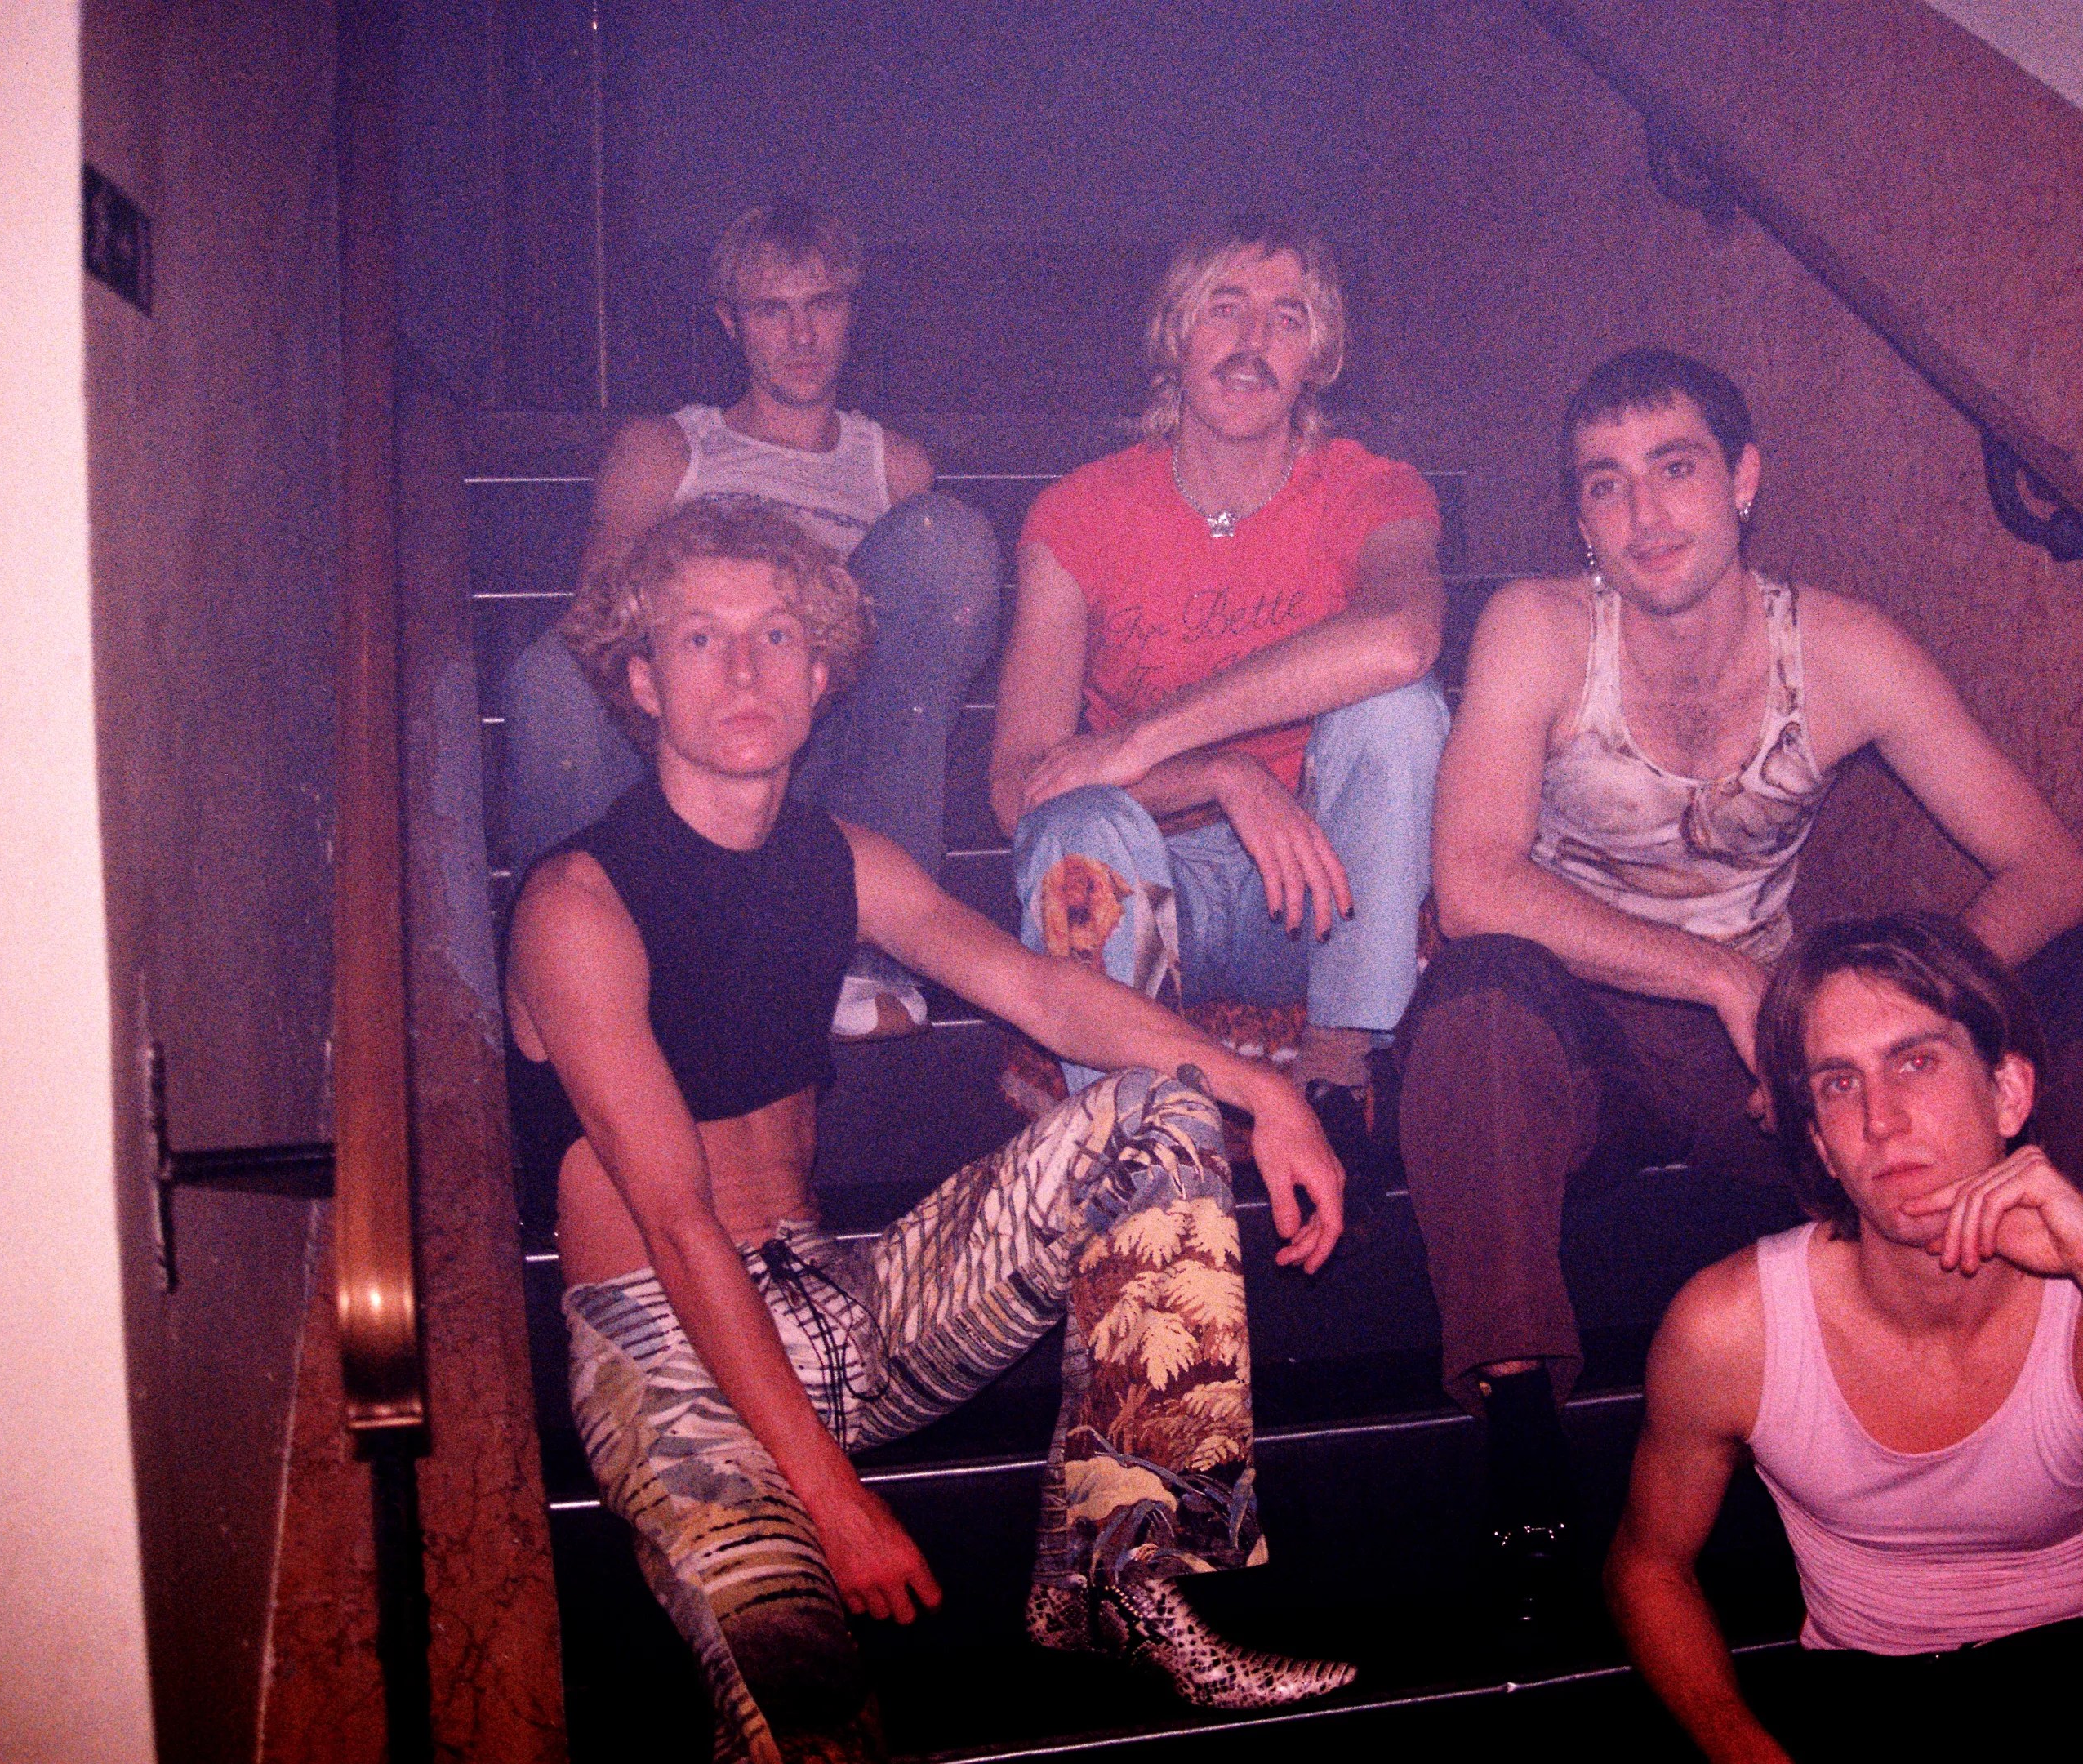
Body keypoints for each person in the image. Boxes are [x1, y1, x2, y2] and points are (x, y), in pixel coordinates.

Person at [506, 500, 1355, 1763]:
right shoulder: (577, 902)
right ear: (641, 677)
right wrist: (832, 1500)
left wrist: (1261, 1087)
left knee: (1157, 1109)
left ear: (820, 669)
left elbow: (1041, 990)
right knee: (810, 1717)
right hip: (670, 1362)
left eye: (776, 633)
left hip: (842, 1307)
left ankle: (1121, 1580)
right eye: (699, 638)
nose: (743, 669)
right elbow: (678, 1229)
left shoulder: (840, 859)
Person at [1404, 347, 2083, 1608]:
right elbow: (1477, 880)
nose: (1644, 515)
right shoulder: (1539, 631)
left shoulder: (1842, 648)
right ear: (1578, 518)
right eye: (1604, 486)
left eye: (1674, 468)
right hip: (1577, 1034)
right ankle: (1516, 1408)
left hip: (1768, 1060)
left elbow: (2048, 867)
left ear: (1744, 478)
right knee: (1477, 980)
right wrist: (1716, 975)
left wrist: (1890, 1030)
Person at [1605, 912, 2083, 1760]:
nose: (1880, 1119)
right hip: (1874, 1692)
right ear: (1821, 1149)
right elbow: (1646, 1567)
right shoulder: (1733, 1328)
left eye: (1916, 1062)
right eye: (1839, 1084)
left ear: (2009, 1093)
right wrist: (1742, 1749)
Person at [503, 198, 1001, 1040]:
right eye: (774, 310)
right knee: (551, 674)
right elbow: (599, 626)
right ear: (731, 324)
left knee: (944, 539)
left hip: (829, 749)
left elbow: (916, 669)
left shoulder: (895, 469)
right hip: (684, 755)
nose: (802, 336)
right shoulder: (669, 449)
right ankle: (576, 976)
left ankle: (862, 952)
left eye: (823, 305)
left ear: (851, 314)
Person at [988, 216, 1449, 1124]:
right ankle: (1132, 1129)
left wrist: (1142, 739)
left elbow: (1404, 637)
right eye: (1225, 308)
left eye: (1287, 318)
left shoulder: (1372, 490)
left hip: (1324, 887)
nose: (1251, 343)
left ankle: (1343, 1064)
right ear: (1174, 335)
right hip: (1162, 878)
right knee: (1077, 827)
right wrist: (1220, 774)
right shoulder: (1078, 513)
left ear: (1320, 354)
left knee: (1399, 706)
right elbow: (1017, 790)